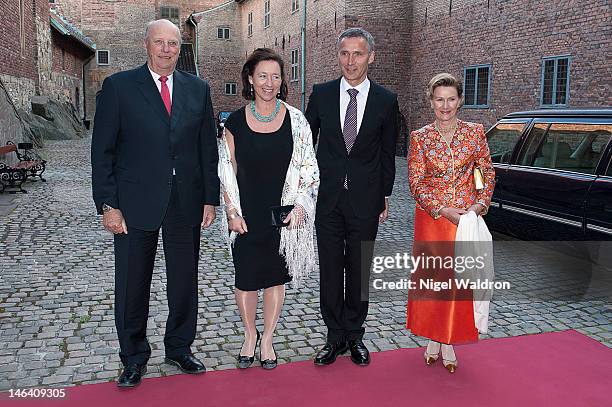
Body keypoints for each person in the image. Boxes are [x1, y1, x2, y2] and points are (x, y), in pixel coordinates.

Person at [91, 19, 219, 387]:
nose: (166, 50)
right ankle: (132, 356)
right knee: (132, 283)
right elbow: (102, 152)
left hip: (185, 202)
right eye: (159, 42)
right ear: (145, 44)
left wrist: (209, 198)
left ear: (181, 48)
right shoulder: (119, 87)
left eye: (173, 44)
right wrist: (108, 204)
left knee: (184, 281)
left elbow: (206, 149)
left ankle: (180, 347)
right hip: (133, 203)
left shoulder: (198, 88)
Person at [218, 48, 319, 370]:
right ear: (250, 78)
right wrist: (232, 213)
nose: (269, 82)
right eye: (263, 75)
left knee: (275, 279)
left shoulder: (296, 120)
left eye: (275, 76)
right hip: (246, 216)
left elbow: (308, 168)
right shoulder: (233, 121)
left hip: (281, 216)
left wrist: (301, 205)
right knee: (246, 279)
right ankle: (250, 334)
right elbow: (225, 169)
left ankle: (268, 339)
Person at [305, 28, 398, 366]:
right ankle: (334, 338)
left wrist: (384, 194)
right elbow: (304, 146)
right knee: (330, 270)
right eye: (344, 53)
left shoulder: (387, 101)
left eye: (357, 54)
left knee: (358, 271)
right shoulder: (322, 94)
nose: (350, 61)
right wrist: (304, 190)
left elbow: (387, 154)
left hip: (365, 200)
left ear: (370, 56)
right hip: (326, 200)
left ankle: (355, 335)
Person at [406, 73, 496, 373]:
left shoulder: (475, 133)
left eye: (451, 99)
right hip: (434, 219)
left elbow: (483, 172)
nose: (445, 105)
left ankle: (446, 341)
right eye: (439, 99)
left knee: (459, 285)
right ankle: (436, 339)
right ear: (431, 102)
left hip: (466, 219)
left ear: (460, 101)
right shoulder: (420, 137)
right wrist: (442, 209)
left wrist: (480, 202)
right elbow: (416, 183)